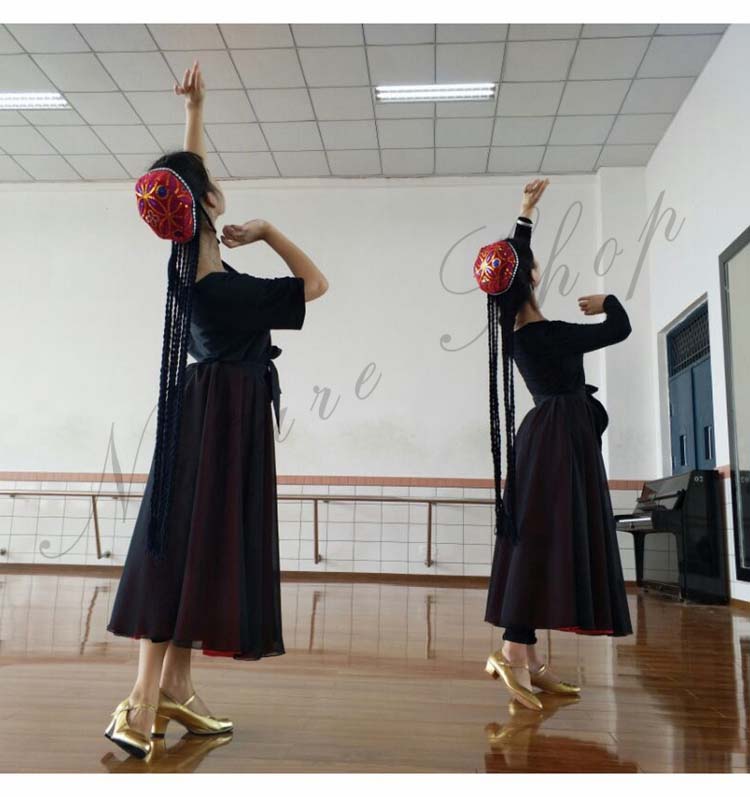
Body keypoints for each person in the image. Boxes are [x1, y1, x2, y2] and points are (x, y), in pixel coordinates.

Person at [104, 63, 329, 758]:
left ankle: (175, 687)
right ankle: (142, 700)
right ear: (208, 204)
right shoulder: (228, 290)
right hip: (225, 419)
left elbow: (187, 182)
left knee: (193, 544)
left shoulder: (189, 271)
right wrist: (269, 230)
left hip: (207, 410)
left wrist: (195, 113)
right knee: (185, 546)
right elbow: (316, 283)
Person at [477, 178, 633, 711]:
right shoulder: (553, 334)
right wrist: (609, 300)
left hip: (545, 437)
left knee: (539, 539)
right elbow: (619, 328)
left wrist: (525, 212)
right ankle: (512, 653)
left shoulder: (516, 332)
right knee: (546, 540)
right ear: (532, 279)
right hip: (560, 441)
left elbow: (512, 264)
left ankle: (527, 657)